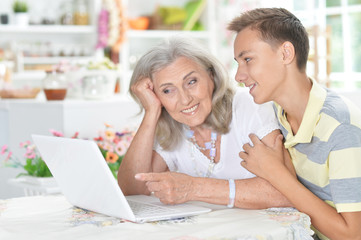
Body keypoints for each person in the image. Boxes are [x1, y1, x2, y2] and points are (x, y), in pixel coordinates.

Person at [228, 7, 361, 240]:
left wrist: (275, 173)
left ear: (285, 54)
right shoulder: (277, 113)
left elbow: (353, 234)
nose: (239, 75)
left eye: (247, 59)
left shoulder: (341, 128)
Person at [117, 37, 294, 209]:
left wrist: (194, 188)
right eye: (167, 90)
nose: (185, 99)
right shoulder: (169, 125)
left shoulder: (249, 105)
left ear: (211, 76)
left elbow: (286, 192)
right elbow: (133, 192)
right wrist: (151, 112)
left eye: (191, 81)